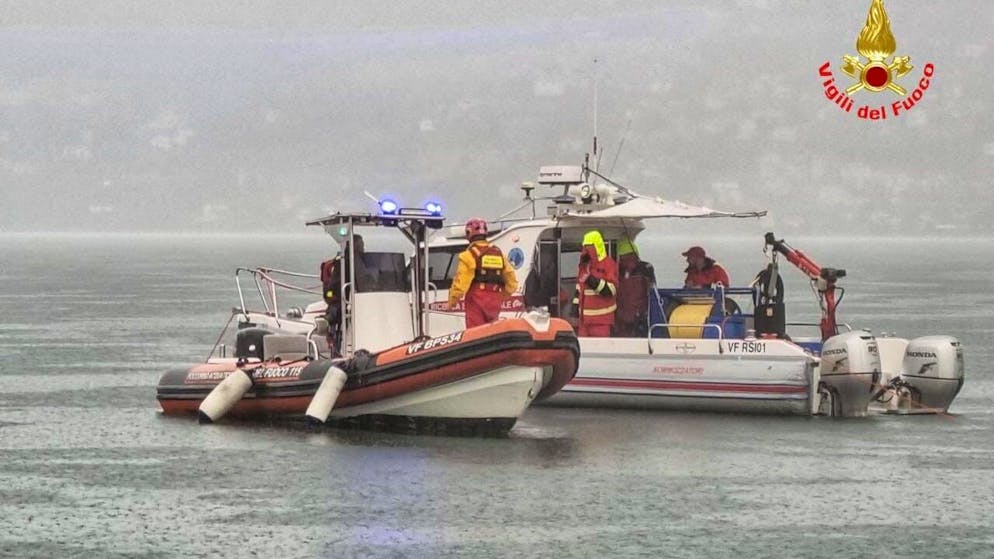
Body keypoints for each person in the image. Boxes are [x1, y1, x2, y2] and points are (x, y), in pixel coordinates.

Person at [447, 218, 518, 328]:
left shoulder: (468, 256)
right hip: (495, 301)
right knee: (492, 332)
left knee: (475, 333)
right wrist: (500, 296)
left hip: (476, 300)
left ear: (468, 233)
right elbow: (512, 284)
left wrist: (452, 302)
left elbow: (460, 285)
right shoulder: (499, 254)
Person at [319, 235, 369, 355]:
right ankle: (337, 347)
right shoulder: (342, 263)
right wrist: (336, 296)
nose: (363, 248)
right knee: (337, 311)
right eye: (360, 245)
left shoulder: (360, 261)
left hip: (358, 296)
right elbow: (333, 287)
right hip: (342, 299)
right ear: (353, 247)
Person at [572, 230, 618, 337]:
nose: (586, 250)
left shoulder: (609, 264)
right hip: (583, 322)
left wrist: (591, 280)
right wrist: (574, 311)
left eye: (589, 246)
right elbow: (579, 289)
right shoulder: (583, 266)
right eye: (585, 247)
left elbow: (611, 290)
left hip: (602, 321)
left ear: (596, 246)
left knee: (602, 350)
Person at [615, 236, 656, 337]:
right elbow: (653, 290)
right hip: (640, 316)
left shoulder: (617, 270)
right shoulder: (646, 268)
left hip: (622, 318)